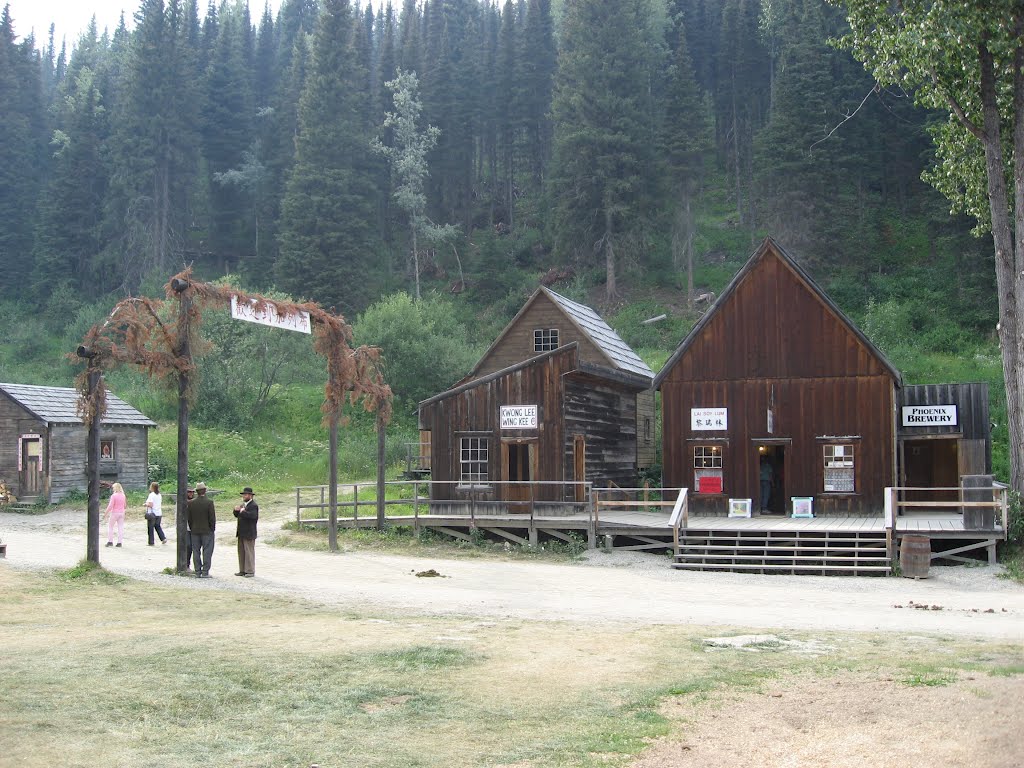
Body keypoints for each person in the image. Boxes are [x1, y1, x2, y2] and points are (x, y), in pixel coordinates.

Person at [187, 481, 216, 577]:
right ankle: (205, 572)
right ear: (205, 490)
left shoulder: (191, 503)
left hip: (194, 530)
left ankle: (197, 571)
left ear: (196, 491)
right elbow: (212, 518)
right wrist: (212, 529)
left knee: (196, 551)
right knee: (207, 551)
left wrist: (192, 528)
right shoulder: (209, 502)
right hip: (207, 531)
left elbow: (189, 519)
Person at [233, 486, 259, 577]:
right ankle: (242, 570)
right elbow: (238, 515)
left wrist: (242, 512)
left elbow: (253, 517)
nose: (244, 496)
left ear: (250, 496)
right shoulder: (243, 505)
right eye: (243, 494)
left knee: (249, 552)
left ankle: (250, 570)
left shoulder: (253, 505)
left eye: (245, 494)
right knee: (241, 552)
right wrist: (236, 511)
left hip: (249, 533)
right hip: (241, 532)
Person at [104, 482, 127, 547]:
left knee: (111, 527)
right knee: (120, 527)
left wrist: (106, 513)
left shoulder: (113, 496)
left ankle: (110, 541)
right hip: (121, 512)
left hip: (114, 512)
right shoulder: (123, 495)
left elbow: (110, 505)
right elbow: (125, 505)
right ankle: (119, 542)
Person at [144, 481, 167, 546]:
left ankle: (151, 542)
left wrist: (145, 504)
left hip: (152, 513)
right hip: (159, 513)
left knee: (150, 528)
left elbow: (151, 504)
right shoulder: (159, 495)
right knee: (157, 526)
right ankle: (163, 538)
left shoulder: (151, 495)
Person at [184, 486, 195, 569]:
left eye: (192, 492)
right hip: (185, 528)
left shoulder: (194, 502)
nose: (191, 493)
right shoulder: (182, 502)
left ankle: (188, 564)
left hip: (194, 528)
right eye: (189, 492)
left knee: (192, 547)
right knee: (187, 545)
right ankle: (185, 564)